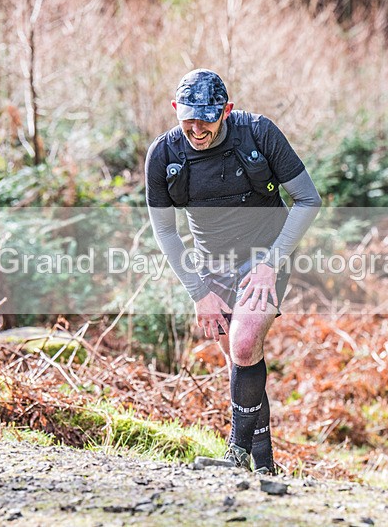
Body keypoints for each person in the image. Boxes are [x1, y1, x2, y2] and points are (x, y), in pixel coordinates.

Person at [145, 69, 322, 473]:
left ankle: (236, 456)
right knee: (243, 360)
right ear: (175, 110)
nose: (197, 129)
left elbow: (308, 200)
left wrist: (269, 265)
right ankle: (264, 467)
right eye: (187, 119)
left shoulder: (258, 133)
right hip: (212, 265)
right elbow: (166, 233)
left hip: (266, 255)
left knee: (243, 344)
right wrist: (198, 292)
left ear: (225, 110)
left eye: (206, 119)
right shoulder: (164, 154)